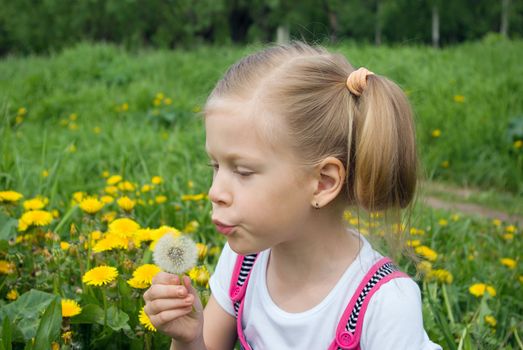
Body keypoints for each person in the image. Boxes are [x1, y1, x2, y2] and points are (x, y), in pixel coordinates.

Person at [143, 41, 442, 350]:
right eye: (216, 166)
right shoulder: (242, 264)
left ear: (323, 183)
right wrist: (188, 338)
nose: (215, 192)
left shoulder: (384, 304)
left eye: (243, 172)